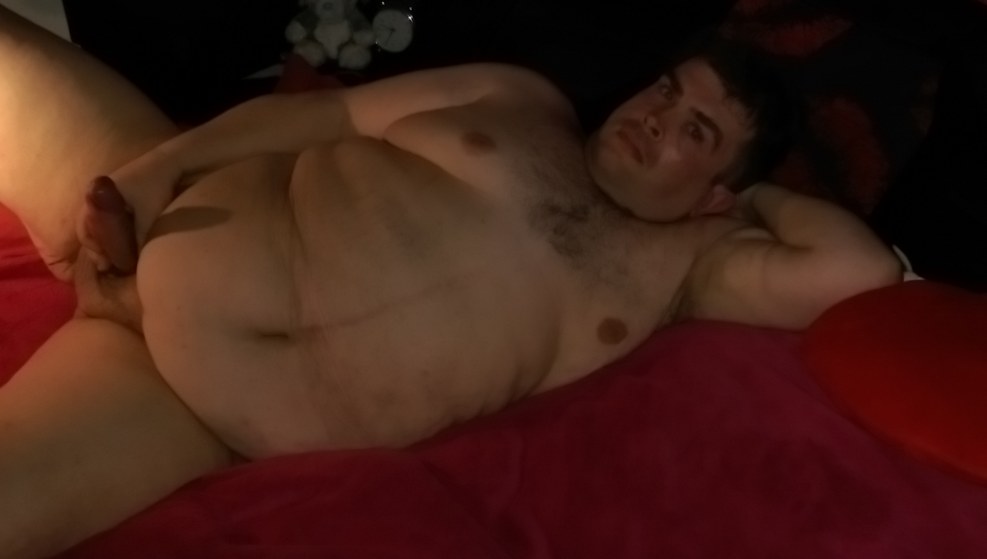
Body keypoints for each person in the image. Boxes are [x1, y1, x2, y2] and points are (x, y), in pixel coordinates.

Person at [0, 6, 902, 557]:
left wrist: (745, 201)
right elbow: (328, 113)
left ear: (717, 193)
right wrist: (158, 171)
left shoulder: (687, 269)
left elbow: (856, 271)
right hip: (155, 205)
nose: (655, 118)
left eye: (695, 132)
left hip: (174, 397)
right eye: (667, 91)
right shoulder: (519, 100)